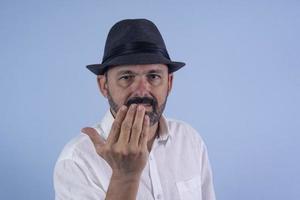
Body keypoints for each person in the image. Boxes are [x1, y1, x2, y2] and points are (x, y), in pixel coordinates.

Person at [54, 18, 216, 200]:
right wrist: (125, 176)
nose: (141, 90)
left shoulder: (190, 141)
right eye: (126, 77)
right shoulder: (77, 161)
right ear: (104, 85)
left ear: (169, 83)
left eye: (154, 76)